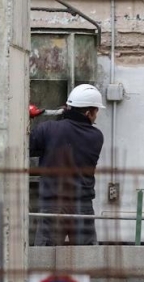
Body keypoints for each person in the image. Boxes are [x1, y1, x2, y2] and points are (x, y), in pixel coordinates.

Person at [30, 84, 105, 246]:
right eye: (96, 111)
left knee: (45, 257)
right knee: (87, 257)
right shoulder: (96, 137)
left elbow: (27, 147)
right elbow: (69, 132)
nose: (96, 116)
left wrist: (28, 118)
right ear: (88, 113)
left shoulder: (48, 129)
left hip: (53, 204)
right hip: (82, 205)